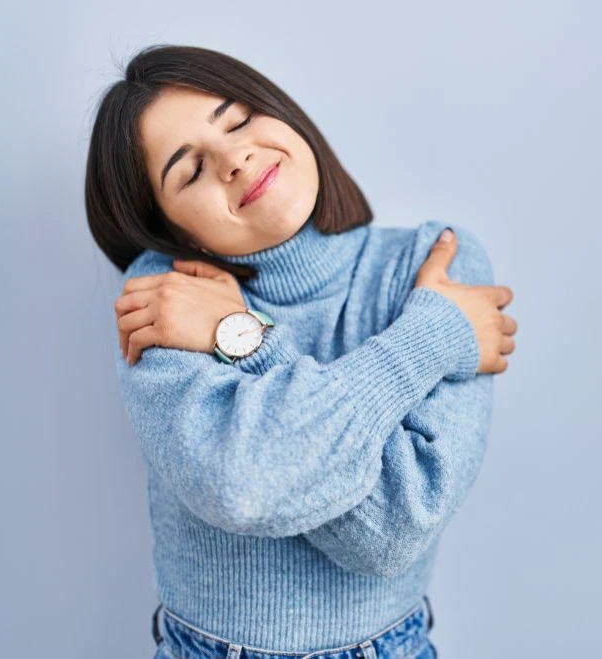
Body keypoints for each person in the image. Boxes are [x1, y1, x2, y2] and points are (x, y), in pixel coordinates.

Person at [84, 43, 517, 659]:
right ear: (170, 227)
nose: (235, 159)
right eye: (191, 171)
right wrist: (429, 339)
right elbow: (246, 485)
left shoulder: (436, 266)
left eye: (239, 120)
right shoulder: (165, 297)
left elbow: (394, 532)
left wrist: (238, 335)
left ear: (285, 114)